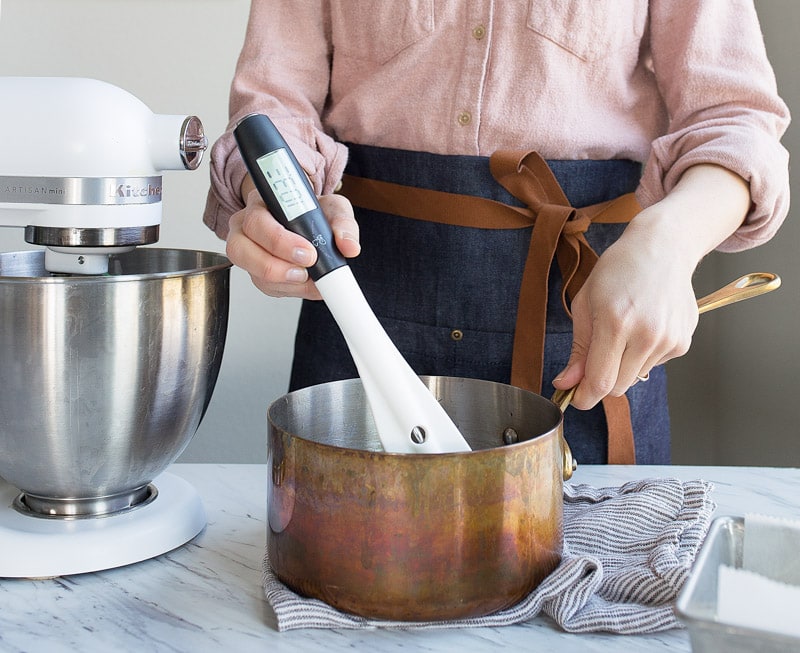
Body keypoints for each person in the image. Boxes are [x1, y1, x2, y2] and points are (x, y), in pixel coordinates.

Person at [203, 1, 790, 464]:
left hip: (589, 311)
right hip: (359, 291)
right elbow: (274, 111)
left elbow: (735, 122)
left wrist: (665, 244)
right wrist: (272, 202)